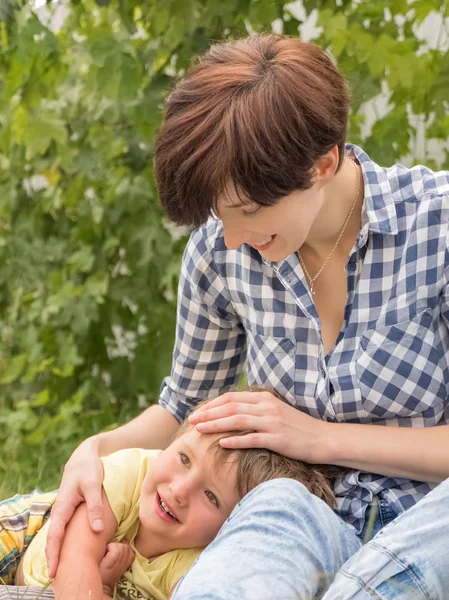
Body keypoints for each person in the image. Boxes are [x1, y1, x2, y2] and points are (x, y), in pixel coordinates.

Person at [46, 33, 449, 599]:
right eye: (219, 214)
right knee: (273, 511)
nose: (232, 239)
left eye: (250, 213)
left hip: (429, 519)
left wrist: (321, 440)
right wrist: (94, 449)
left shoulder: (438, 225)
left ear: (322, 165)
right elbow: (181, 408)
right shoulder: (220, 253)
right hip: (299, 516)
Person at [0, 393, 339, 599]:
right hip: (27, 533)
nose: (179, 491)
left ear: (233, 524)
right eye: (183, 458)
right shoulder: (132, 471)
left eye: (211, 496)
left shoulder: (201, 560)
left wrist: (105, 588)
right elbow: (73, 560)